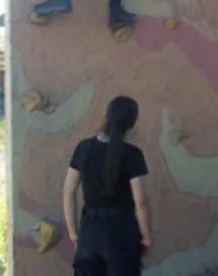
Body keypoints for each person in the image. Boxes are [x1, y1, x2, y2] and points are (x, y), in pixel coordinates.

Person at [62, 96, 152, 275]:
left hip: (90, 233)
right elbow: (141, 201)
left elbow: (68, 191)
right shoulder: (133, 155)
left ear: (105, 115)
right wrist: (147, 236)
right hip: (123, 234)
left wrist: (73, 232)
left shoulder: (83, 148)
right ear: (132, 124)